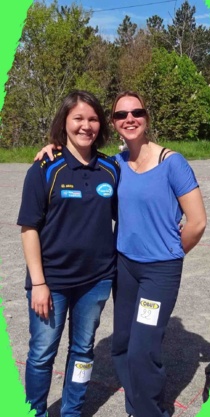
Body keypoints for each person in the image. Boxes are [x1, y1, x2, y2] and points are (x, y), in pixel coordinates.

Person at [19, 91, 118, 417]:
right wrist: (39, 284)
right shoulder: (45, 168)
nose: (86, 125)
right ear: (64, 122)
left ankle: (72, 411)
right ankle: (35, 411)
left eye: (92, 119)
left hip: (96, 281)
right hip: (52, 283)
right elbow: (29, 229)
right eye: (78, 118)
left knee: (83, 351)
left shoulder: (111, 169)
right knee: (42, 352)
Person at [109, 91, 207, 417]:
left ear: (147, 118)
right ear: (114, 124)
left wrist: (170, 254)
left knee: (141, 350)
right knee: (121, 345)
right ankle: (138, 407)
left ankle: (151, 412)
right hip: (124, 268)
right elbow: (76, 166)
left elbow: (197, 222)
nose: (129, 119)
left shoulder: (172, 163)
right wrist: (52, 149)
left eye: (136, 112)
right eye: (121, 115)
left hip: (158, 273)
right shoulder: (115, 165)